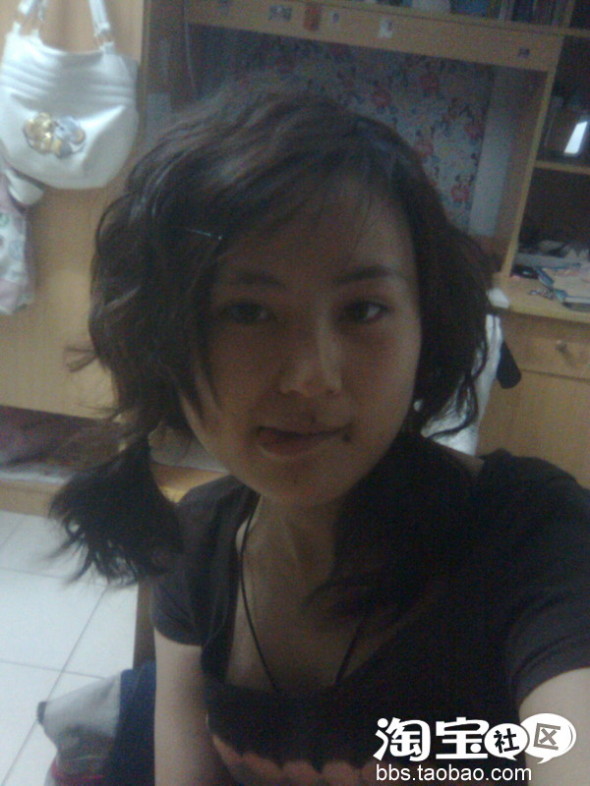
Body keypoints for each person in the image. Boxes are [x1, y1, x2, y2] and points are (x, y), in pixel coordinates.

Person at [51, 87, 590, 786]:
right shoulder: (198, 546)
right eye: (248, 311)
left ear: (425, 331)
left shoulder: (529, 538)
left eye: (363, 310)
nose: (311, 377)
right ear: (164, 343)